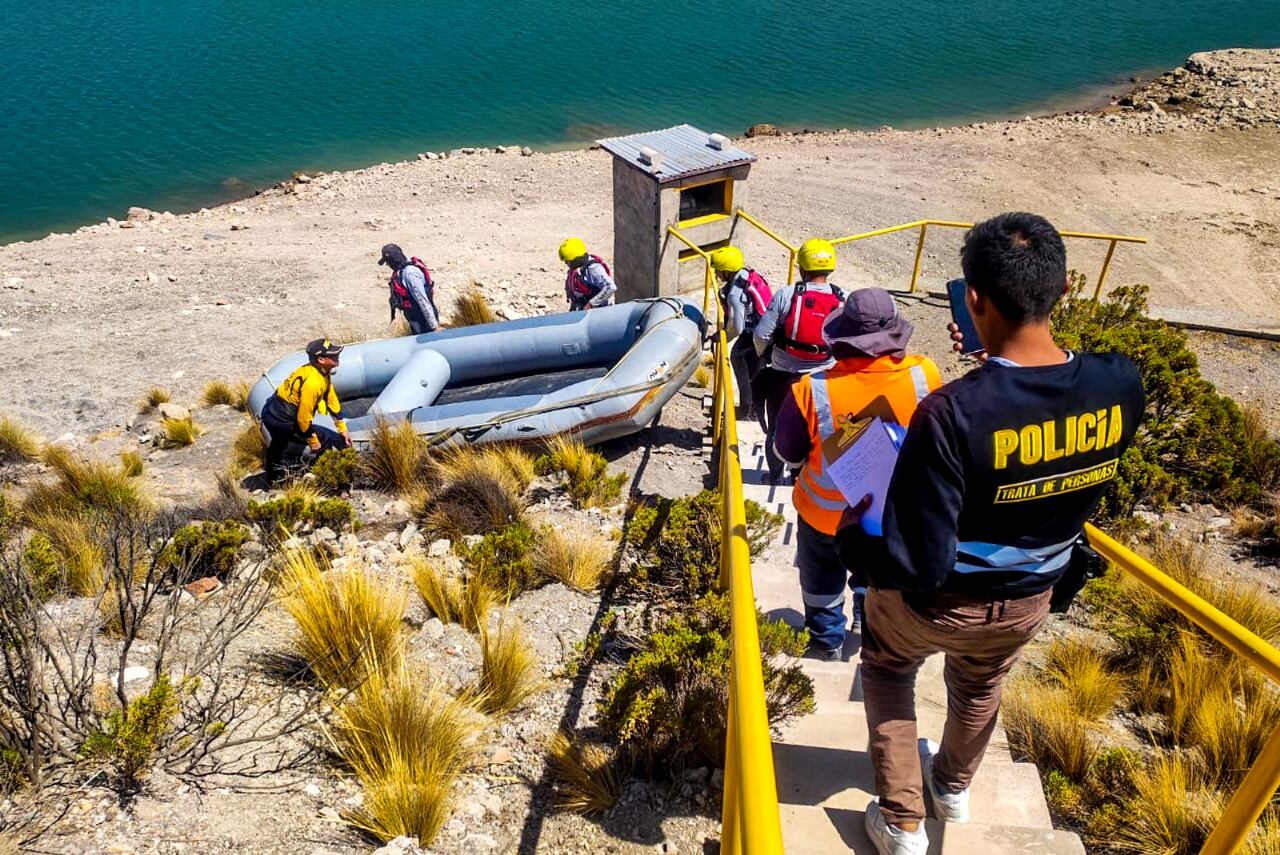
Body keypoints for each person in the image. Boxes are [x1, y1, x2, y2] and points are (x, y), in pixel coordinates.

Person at [834, 212, 1145, 855]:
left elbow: (918, 563)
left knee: (888, 670)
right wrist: (994, 365)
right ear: (1064, 290)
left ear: (973, 299)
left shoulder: (950, 413)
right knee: (979, 685)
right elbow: (1040, 418)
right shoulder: (1121, 382)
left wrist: (851, 537)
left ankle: (902, 823)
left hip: (940, 602)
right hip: (1032, 595)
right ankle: (951, 786)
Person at [771, 288, 941, 660]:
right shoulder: (925, 375)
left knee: (821, 579)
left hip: (824, 515)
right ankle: (867, 623)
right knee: (875, 572)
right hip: (890, 514)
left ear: (842, 337)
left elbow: (786, 452)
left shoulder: (810, 389)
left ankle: (826, 641)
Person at [752, 238, 846, 482]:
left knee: (776, 427)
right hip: (822, 380)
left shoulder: (787, 295)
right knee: (812, 429)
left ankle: (774, 476)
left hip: (782, 376)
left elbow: (761, 334)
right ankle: (800, 479)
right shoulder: (842, 299)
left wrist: (763, 354)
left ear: (802, 267)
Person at [260, 338, 352, 482]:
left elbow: (331, 399)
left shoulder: (320, 371)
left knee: (279, 441)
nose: (337, 355)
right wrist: (314, 441)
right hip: (282, 418)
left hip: (271, 410)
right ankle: (323, 477)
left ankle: (272, 476)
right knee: (324, 440)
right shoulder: (313, 383)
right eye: (332, 354)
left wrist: (342, 429)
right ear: (321, 359)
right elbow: (303, 420)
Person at [710, 245, 772, 417]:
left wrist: (722, 336)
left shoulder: (734, 294)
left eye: (718, 270)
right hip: (767, 329)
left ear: (727, 271)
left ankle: (747, 411)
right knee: (756, 368)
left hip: (754, 333)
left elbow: (737, 327)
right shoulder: (747, 274)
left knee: (739, 357)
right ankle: (755, 409)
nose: (716, 274)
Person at [379, 243, 440, 335]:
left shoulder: (409, 274)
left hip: (422, 319)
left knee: (428, 341)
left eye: (388, 261)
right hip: (415, 317)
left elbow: (422, 299)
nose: (387, 264)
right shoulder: (402, 270)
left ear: (393, 260)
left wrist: (434, 326)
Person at [559, 237, 617, 311]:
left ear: (577, 259)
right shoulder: (575, 270)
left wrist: (591, 304)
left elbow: (611, 287)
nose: (566, 263)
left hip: (600, 311)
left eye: (568, 261)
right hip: (582, 309)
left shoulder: (594, 269)